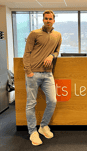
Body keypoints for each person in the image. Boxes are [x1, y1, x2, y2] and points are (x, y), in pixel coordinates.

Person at [23, 10, 62, 146]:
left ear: (54, 20)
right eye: (46, 18)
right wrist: (28, 71)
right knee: (31, 104)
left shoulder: (58, 35)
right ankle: (32, 131)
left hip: (47, 74)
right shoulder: (34, 34)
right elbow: (27, 52)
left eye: (50, 19)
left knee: (52, 101)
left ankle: (43, 126)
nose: (48, 21)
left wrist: (52, 56)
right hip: (33, 73)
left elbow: (57, 51)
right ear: (43, 20)